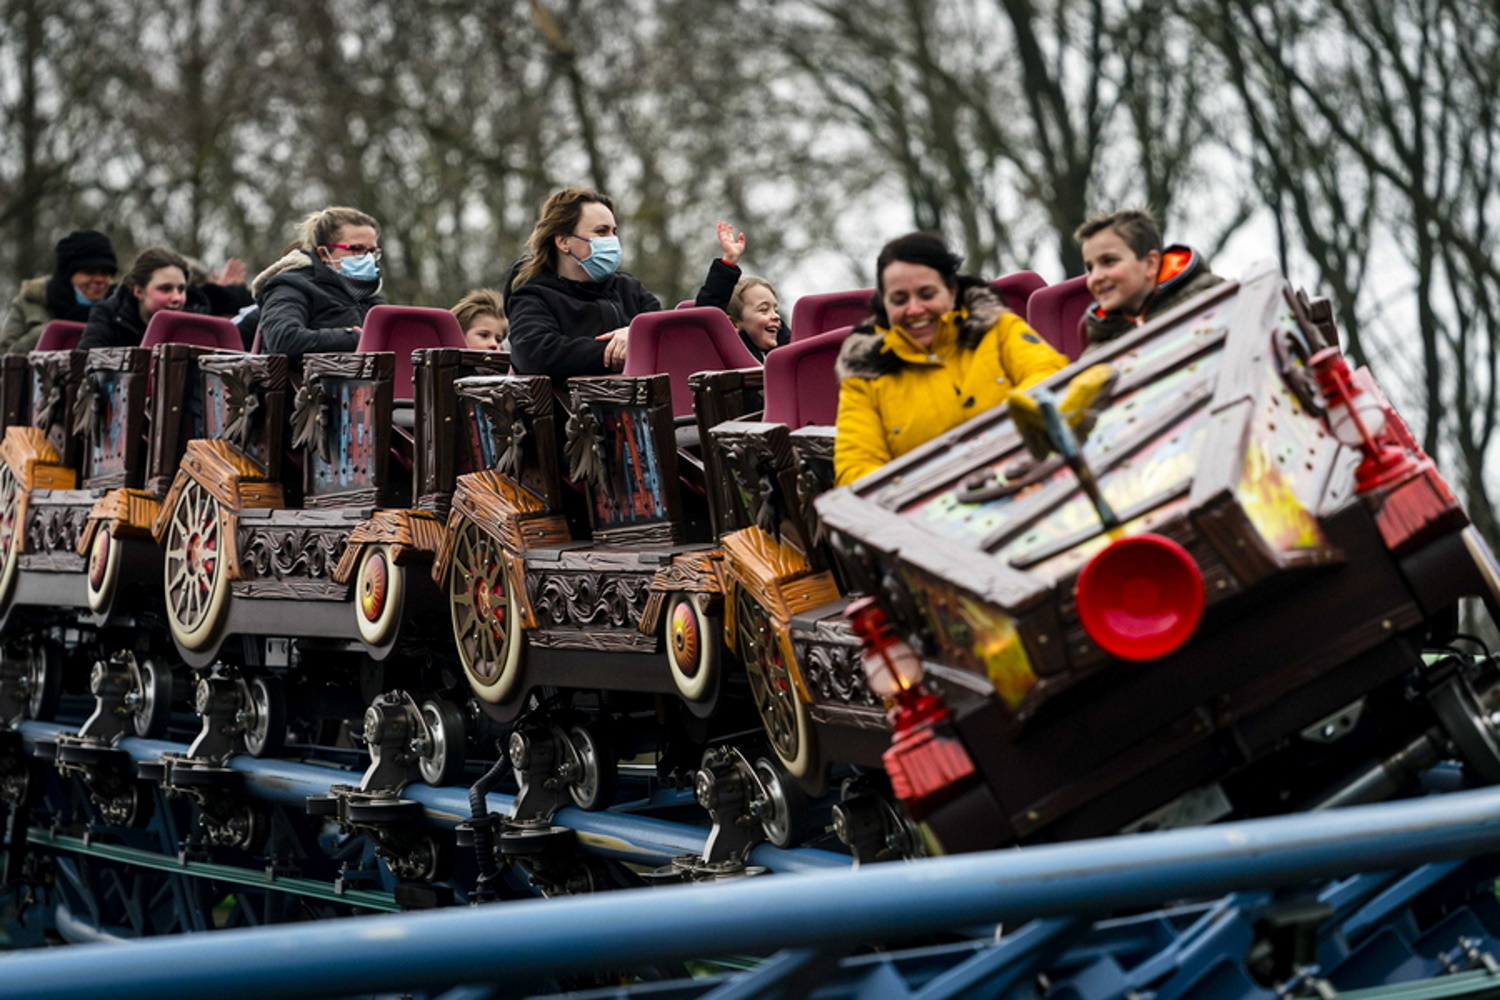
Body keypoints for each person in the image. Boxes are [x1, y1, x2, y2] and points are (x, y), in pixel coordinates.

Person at [834, 232, 1068, 487]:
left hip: (1034, 478)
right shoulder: (864, 372)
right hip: (929, 515)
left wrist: (1001, 440)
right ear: (884, 304)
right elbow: (856, 468)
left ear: (952, 291)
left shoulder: (998, 328)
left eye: (926, 294)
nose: (914, 310)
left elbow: (1051, 377)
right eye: (899, 300)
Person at [504, 188, 660, 378]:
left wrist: (633, 335)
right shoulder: (533, 296)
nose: (612, 240)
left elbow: (665, 339)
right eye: (601, 232)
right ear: (563, 242)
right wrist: (621, 348)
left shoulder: (631, 290)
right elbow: (535, 354)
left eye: (614, 232)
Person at [1075, 209, 1223, 349]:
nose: (1096, 277)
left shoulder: (1214, 298)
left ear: (1151, 263)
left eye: (1109, 261)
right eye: (1090, 268)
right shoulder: (1098, 353)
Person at [251, 207, 385, 361]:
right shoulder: (290, 286)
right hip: (309, 383)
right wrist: (354, 337)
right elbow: (283, 339)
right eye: (356, 249)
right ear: (323, 253)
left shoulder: (367, 295)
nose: (367, 258)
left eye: (372, 251)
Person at [0, 230, 118, 354]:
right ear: (67, 275)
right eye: (89, 272)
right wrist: (46, 334)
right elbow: (4, 357)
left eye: (105, 273)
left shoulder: (121, 308)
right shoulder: (28, 303)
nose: (99, 280)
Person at [694, 221, 789, 361]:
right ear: (734, 323)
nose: (775, 316)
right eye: (763, 310)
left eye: (776, 310)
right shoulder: (730, 354)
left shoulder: (786, 351)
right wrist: (729, 261)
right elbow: (706, 315)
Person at [78, 245, 204, 349]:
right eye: (165, 289)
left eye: (181, 289)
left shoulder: (196, 324)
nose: (177, 298)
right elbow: (87, 368)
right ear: (139, 291)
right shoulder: (108, 316)